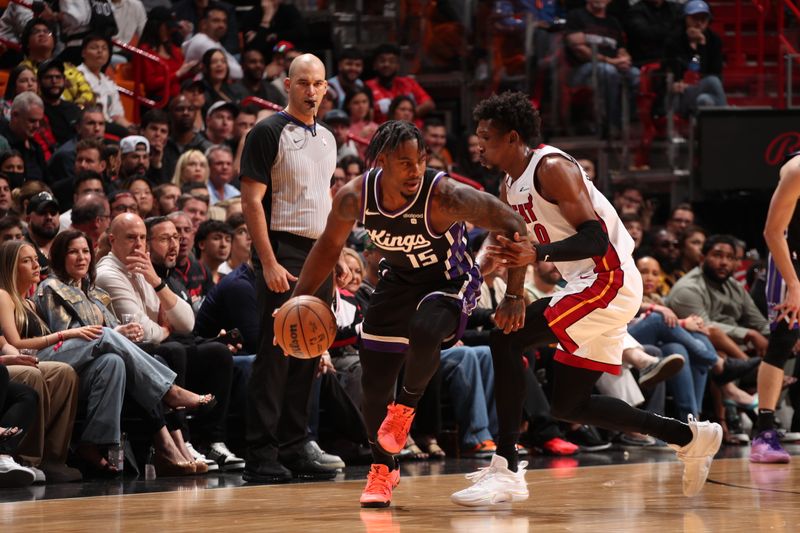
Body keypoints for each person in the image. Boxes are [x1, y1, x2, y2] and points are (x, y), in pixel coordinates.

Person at [449, 92, 722, 507]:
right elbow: (507, 241)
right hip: (585, 283)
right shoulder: (508, 184)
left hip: (607, 278)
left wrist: (537, 257)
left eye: (486, 137)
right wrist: (476, 279)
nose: (478, 145)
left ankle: (505, 466)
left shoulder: (552, 168)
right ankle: (689, 437)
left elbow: (594, 238)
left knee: (507, 340)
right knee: (569, 405)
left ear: (513, 138)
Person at [291, 118, 527, 507]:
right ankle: (383, 469)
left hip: (449, 282)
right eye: (404, 162)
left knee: (426, 328)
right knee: (372, 386)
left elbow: (513, 222)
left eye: (420, 161)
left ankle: (404, 411)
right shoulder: (355, 197)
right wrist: (298, 300)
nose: (415, 170)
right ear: (381, 161)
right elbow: (328, 249)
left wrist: (514, 294)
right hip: (397, 282)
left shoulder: (445, 194)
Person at [240, 53, 346, 484]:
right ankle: (261, 452)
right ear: (287, 85)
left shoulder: (329, 138)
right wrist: (267, 261)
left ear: (325, 88)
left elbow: (323, 203)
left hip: (320, 252)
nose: (310, 90)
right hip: (282, 250)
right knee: (277, 354)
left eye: (317, 83)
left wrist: (334, 268)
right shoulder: (267, 131)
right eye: (302, 82)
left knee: (309, 352)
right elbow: (251, 201)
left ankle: (295, 443)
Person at [33, 232, 216, 476]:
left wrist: (124, 333)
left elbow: (111, 336)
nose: (81, 257)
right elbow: (64, 334)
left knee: (114, 361)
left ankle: (94, 442)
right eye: (73, 252)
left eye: (86, 251)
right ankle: (169, 391)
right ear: (59, 257)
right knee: (106, 337)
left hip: (90, 364)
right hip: (57, 355)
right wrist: (115, 333)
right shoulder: (50, 288)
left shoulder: (96, 293)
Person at [749, 151, 800, 463]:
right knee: (784, 339)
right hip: (788, 257)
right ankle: (764, 433)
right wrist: (794, 285)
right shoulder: (797, 170)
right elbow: (772, 232)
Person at [366, 43, 435, 126]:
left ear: (397, 66)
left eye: (391, 61)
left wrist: (407, 114)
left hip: (414, 132)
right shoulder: (367, 87)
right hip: (385, 134)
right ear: (375, 65)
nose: (386, 64)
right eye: (382, 61)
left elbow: (429, 104)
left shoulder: (408, 82)